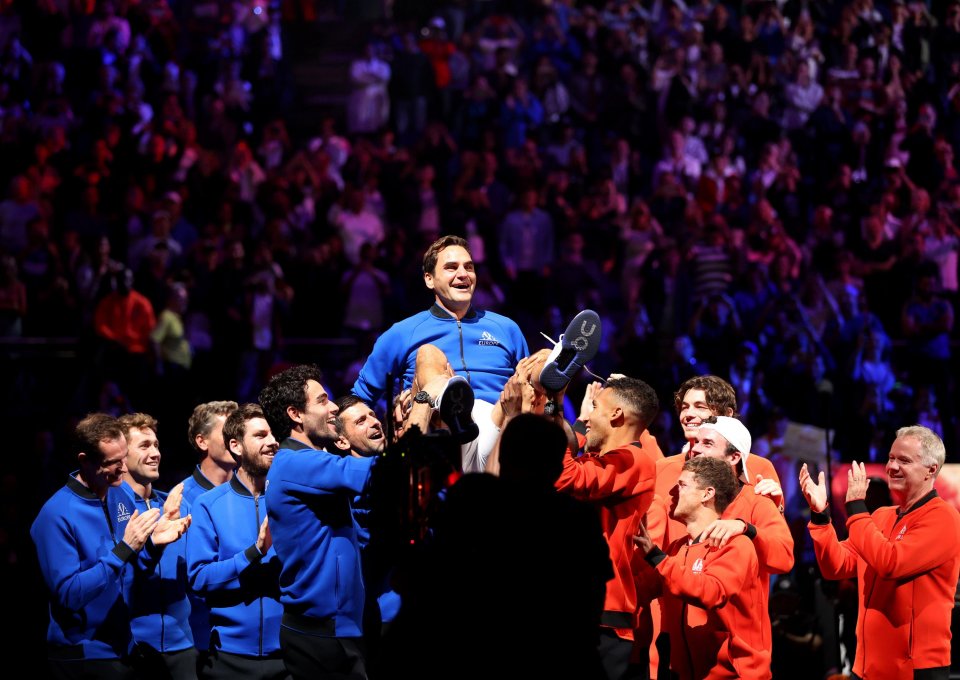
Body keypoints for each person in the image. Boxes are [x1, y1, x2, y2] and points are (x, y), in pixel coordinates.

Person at [31, 413, 190, 679]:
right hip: (83, 655)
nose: (124, 469)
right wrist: (125, 549)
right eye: (112, 463)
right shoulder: (56, 515)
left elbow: (131, 568)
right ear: (84, 461)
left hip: (123, 647)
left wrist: (153, 546)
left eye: (124, 458)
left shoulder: (118, 495)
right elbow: (69, 595)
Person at [800, 425, 960, 679]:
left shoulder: (944, 519)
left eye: (904, 460)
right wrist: (821, 517)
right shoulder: (881, 516)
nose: (892, 467)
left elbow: (891, 563)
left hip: (915, 669)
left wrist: (856, 508)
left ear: (931, 470)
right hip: (868, 666)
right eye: (891, 457)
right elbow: (836, 566)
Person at [259, 365, 378, 679]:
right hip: (322, 630)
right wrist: (418, 425)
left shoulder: (303, 462)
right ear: (296, 414)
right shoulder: (296, 462)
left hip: (333, 626)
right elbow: (373, 473)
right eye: (323, 400)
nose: (334, 406)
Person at [552, 376, 661, 680]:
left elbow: (566, 478)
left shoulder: (634, 459)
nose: (587, 416)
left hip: (604, 614)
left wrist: (556, 404)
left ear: (616, 415)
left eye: (595, 408)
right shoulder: (599, 458)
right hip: (577, 601)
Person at [352, 234, 529, 408]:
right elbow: (359, 399)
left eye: (468, 267)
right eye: (451, 267)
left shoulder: (506, 328)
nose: (463, 274)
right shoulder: (402, 333)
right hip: (434, 428)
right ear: (429, 279)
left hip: (499, 424)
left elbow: (530, 389)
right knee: (428, 356)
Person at [634, 456, 771, 679]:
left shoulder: (735, 545)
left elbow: (710, 592)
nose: (672, 492)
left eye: (682, 485)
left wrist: (657, 557)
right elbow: (641, 589)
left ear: (707, 494)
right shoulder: (677, 548)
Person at [186, 403, 287, 679]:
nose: (272, 442)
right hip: (230, 659)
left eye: (272, 435)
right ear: (236, 446)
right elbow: (198, 577)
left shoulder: (291, 500)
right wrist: (253, 553)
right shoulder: (208, 505)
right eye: (260, 435)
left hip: (289, 654)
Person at [116, 412, 196, 679]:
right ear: (122, 459)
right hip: (132, 646)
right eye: (144, 446)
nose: (155, 453)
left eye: (156, 445)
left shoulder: (175, 505)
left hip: (182, 643)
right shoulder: (110, 509)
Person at [180, 400, 238, 653]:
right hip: (202, 635)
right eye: (226, 432)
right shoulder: (182, 498)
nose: (235, 438)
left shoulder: (257, 490)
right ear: (202, 441)